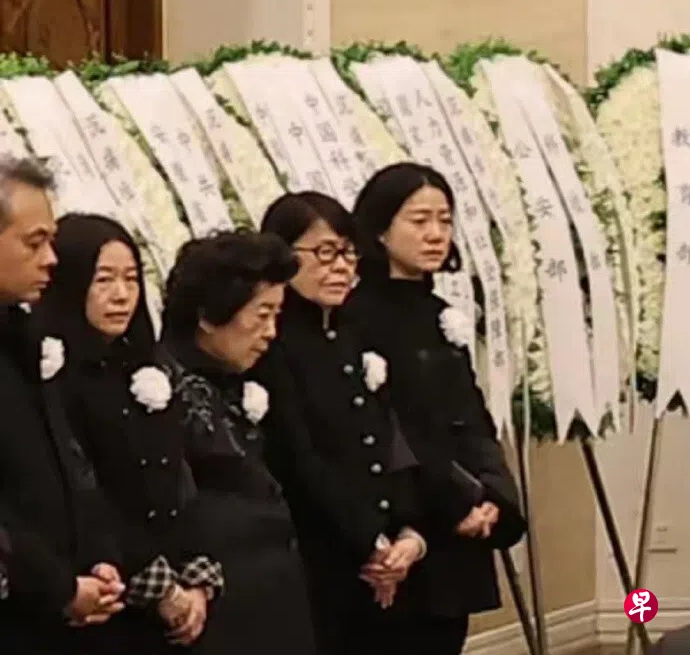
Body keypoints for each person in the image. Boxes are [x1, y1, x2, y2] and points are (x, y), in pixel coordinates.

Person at [258, 190, 515, 655]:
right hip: (327, 562)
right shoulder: (274, 348)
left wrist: (410, 532)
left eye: (347, 253)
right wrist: (370, 544)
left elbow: (388, 444)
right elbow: (301, 461)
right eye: (325, 252)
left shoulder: (345, 337)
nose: (340, 266)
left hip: (392, 553)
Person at [348, 162, 526, 641]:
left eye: (445, 220)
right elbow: (390, 429)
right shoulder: (355, 319)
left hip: (461, 527)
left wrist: (494, 498)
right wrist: (457, 502)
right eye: (419, 219)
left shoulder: (442, 317)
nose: (435, 234)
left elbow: (472, 421)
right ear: (380, 228)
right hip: (403, 526)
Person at [35, 213, 224, 653]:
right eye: (103, 280)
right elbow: (87, 493)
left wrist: (198, 578)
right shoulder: (54, 379)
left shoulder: (146, 367)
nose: (121, 295)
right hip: (107, 599)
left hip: (178, 597)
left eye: (131, 278)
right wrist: (160, 588)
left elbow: (179, 478)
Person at [159, 230, 317, 655]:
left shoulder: (234, 381)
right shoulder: (161, 391)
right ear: (209, 315)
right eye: (262, 315)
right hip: (216, 613)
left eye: (277, 316)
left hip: (273, 603)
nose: (270, 332)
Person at [0, 156, 125, 654]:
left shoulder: (22, 333)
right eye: (34, 243)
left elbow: (68, 463)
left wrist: (98, 557)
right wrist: (58, 587)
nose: (51, 258)